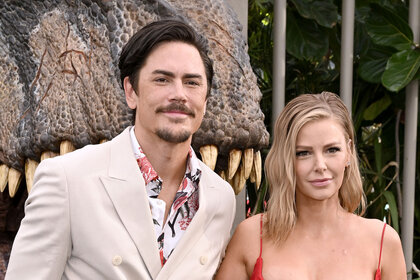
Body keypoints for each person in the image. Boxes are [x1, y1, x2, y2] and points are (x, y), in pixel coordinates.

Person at [6, 19, 236, 280]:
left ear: (205, 100)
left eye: (192, 82)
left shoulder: (220, 198)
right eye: (162, 79)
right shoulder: (67, 179)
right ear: (131, 91)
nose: (179, 94)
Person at [215, 92, 406, 280]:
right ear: (286, 159)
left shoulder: (382, 242)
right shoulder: (251, 236)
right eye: (303, 153)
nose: (320, 166)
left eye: (332, 150)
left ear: (348, 152)